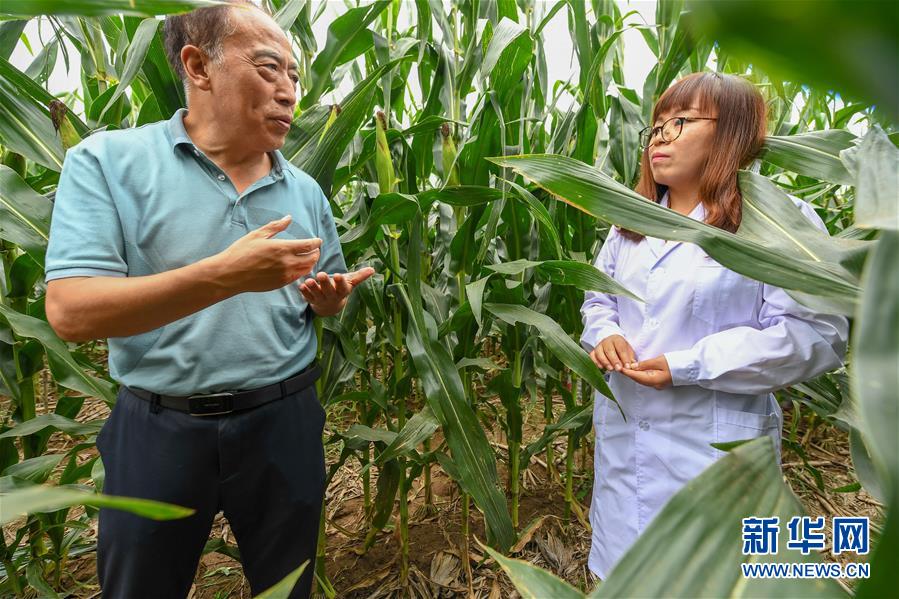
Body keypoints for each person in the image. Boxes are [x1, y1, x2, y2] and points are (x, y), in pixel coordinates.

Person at [44, 2, 373, 597]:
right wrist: (225, 275)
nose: (290, 92)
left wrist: (328, 302)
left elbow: (324, 297)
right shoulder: (107, 164)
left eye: (294, 77)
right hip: (157, 428)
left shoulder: (304, 189)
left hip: (284, 423)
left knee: (289, 586)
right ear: (198, 66)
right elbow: (70, 312)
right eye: (270, 68)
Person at [580, 72, 848, 579]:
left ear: (733, 134)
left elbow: (818, 334)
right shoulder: (628, 226)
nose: (660, 136)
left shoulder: (776, 226)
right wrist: (605, 336)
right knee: (625, 577)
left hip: (715, 453)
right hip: (624, 449)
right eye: (656, 125)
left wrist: (689, 365)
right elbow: (599, 301)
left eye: (680, 121)